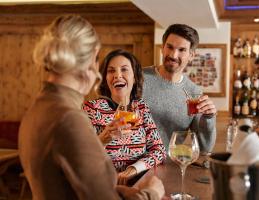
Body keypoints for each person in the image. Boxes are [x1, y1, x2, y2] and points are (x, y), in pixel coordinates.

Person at [18, 15, 165, 200]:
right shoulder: (70, 119)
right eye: (101, 63)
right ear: (91, 60)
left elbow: (78, 187)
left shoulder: (39, 108)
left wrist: (128, 189)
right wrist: (151, 193)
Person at [83, 49, 166, 185]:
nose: (117, 75)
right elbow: (81, 157)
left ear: (134, 78)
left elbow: (159, 150)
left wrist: (134, 169)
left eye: (124, 69)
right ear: (105, 79)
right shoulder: (91, 109)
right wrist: (102, 140)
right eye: (111, 71)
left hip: (138, 184)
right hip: (104, 186)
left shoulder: (140, 107)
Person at [143, 24, 217, 152]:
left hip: (166, 167)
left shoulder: (194, 93)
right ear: (162, 48)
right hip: (130, 164)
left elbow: (204, 148)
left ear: (191, 55)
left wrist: (209, 118)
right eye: (169, 47)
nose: (173, 55)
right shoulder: (138, 77)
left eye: (182, 50)